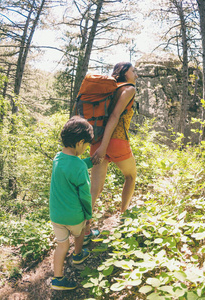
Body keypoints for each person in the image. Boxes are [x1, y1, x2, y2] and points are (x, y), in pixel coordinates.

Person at [85, 62, 138, 242]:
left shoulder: (108, 89)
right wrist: (105, 147)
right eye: (133, 71)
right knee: (131, 175)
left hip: (97, 139)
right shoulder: (128, 89)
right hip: (115, 141)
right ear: (124, 73)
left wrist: (100, 146)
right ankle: (123, 217)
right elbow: (115, 116)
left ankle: (85, 230)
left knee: (94, 189)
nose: (135, 75)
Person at [49, 116, 94, 290]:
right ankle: (78, 255)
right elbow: (85, 196)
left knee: (62, 245)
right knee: (80, 231)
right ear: (80, 142)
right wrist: (88, 217)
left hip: (56, 216)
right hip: (74, 217)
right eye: (86, 146)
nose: (86, 148)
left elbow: (71, 168)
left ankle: (58, 279)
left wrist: (88, 162)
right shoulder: (79, 167)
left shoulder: (57, 158)